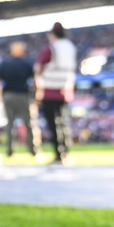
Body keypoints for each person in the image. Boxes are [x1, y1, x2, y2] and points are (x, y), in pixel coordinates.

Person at [35, 22, 77, 165]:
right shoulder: (71, 47)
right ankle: (66, 152)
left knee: (53, 125)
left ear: (53, 34)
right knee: (63, 122)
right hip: (65, 90)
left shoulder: (51, 48)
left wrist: (38, 88)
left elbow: (39, 68)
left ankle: (58, 154)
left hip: (49, 91)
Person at [0, 40, 42, 159]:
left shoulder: (4, 64)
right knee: (29, 124)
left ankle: (10, 151)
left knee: (9, 125)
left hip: (9, 96)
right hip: (22, 96)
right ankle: (33, 150)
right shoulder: (26, 63)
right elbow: (35, 80)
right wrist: (37, 95)